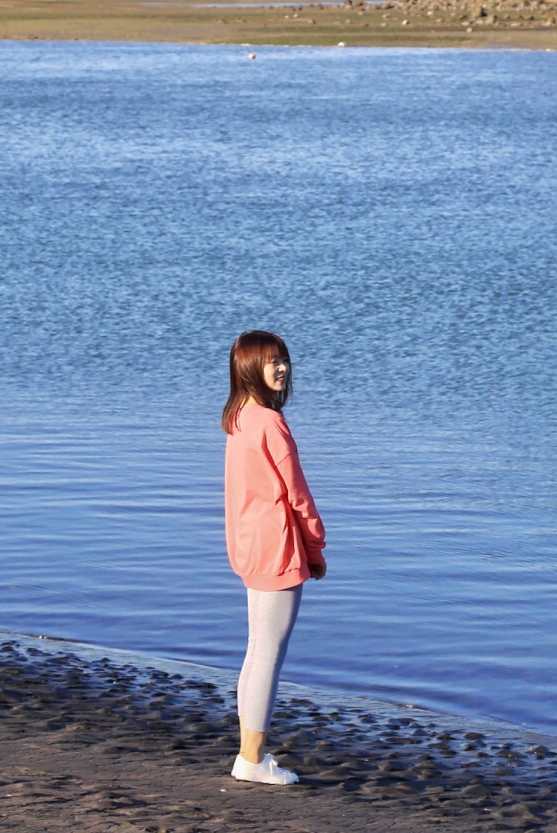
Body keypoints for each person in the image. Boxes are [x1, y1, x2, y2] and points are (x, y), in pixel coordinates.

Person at [223, 330, 327, 785]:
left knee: (255, 649)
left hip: (249, 545)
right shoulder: (269, 422)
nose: (281, 367)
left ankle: (248, 752)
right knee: (268, 653)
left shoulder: (240, 417)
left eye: (284, 359)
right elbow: (298, 494)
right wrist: (316, 546)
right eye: (271, 361)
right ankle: (251, 757)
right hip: (278, 548)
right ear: (249, 368)